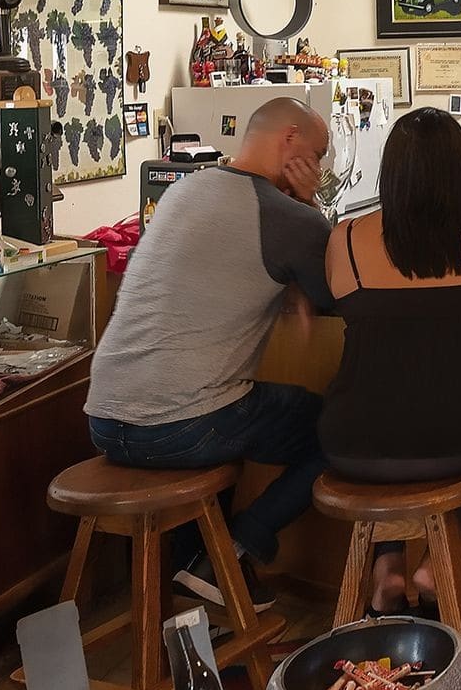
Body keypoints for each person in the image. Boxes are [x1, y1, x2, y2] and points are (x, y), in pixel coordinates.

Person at [86, 97, 334, 609]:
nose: (322, 167)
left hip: (104, 420)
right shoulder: (290, 218)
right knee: (341, 428)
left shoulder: (184, 189)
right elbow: (336, 292)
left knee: (220, 405)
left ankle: (195, 568)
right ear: (289, 140)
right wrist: (312, 205)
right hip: (182, 427)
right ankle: (236, 549)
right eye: (319, 154)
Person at [322, 107, 461, 612]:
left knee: (388, 431)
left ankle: (385, 566)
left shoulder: (347, 238)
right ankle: (433, 564)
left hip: (354, 442)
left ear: (390, 170)